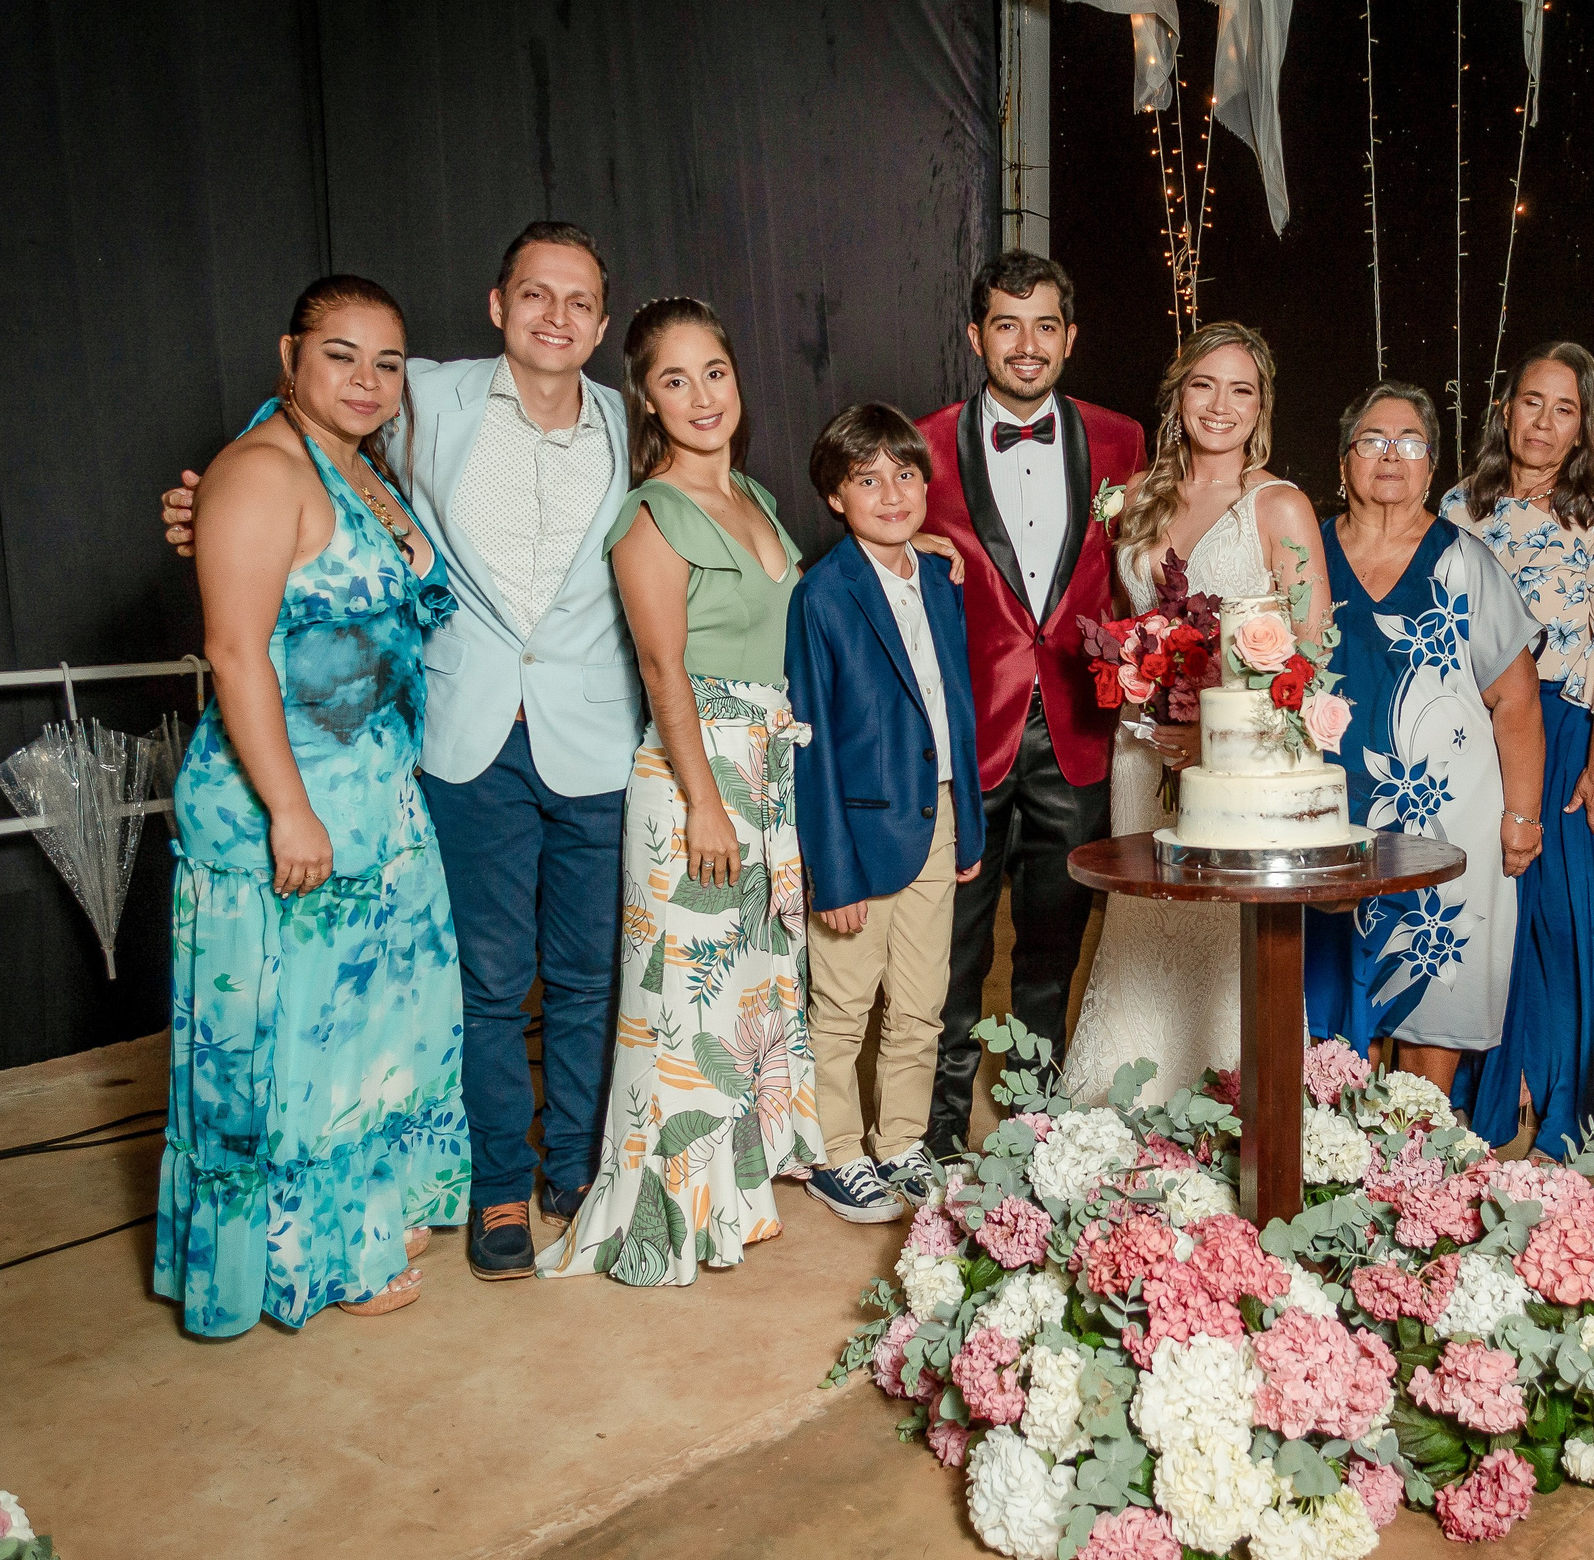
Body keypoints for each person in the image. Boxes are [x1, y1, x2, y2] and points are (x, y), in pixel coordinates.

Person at [167, 223, 640, 1284]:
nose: (556, 317)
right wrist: (211, 504)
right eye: (535, 294)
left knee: (585, 974)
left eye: (578, 302)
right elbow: (290, 443)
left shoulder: (631, 419)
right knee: (485, 980)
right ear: (497, 305)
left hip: (594, 735)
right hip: (464, 737)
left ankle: (575, 1170)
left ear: (603, 325)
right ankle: (497, 1184)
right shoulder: (422, 393)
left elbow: (702, 494)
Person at [156, 275, 466, 1335]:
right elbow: (235, 651)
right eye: (341, 354)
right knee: (301, 1048)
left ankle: (361, 1217)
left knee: (373, 1037)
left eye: (387, 362)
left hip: (377, 802)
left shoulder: (362, 468)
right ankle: (312, 1258)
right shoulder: (258, 471)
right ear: (289, 357)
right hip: (288, 810)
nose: (367, 379)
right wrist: (290, 810)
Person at [537, 298, 821, 1286]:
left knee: (749, 990)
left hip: (765, 771)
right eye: (674, 379)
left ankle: (735, 1192)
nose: (702, 395)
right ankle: (667, 1217)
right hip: (692, 773)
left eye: (714, 372)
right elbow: (663, 671)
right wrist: (704, 800)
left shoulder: (754, 495)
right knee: (682, 1007)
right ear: (646, 399)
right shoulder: (651, 513)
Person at [914, 251, 1147, 1155]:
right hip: (968, 728)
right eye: (1006, 325)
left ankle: (1033, 1125)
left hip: (1079, 726)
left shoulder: (1122, 442)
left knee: (1053, 942)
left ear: (1070, 337)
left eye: (1044, 325)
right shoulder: (923, 444)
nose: (1026, 344)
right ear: (975, 337)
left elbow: (1136, 576)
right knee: (955, 942)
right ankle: (937, 1130)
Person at [1062, 322, 1327, 1104]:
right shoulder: (1139, 497)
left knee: (1227, 934)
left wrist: (1213, 734)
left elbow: (1311, 652)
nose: (1220, 405)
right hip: (1142, 753)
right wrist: (1143, 686)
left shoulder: (1279, 506)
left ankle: (1240, 1106)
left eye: (1241, 389)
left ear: (1261, 407)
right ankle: (1129, 1103)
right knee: (1143, 921)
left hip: (1234, 767)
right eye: (1204, 385)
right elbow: (1120, 619)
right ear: (1178, 397)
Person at [1441, 342, 1594, 1158]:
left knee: (1573, 923)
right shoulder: (1461, 504)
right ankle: (1497, 1097)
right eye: (1532, 402)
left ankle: (1578, 1109)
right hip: (1479, 734)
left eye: (1565, 409)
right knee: (1493, 914)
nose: (1544, 422)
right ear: (1506, 409)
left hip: (1573, 731)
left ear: (1583, 426)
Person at [1306, 381, 1546, 1096]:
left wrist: (1522, 816)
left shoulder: (1465, 563)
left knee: (1430, 995)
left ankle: (1417, 1153)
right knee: (1318, 1006)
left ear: (1432, 467)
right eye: (1373, 441)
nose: (1391, 455)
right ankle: (1326, 1155)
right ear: (1343, 460)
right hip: (1323, 822)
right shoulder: (1304, 555)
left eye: (1410, 443)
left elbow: (1516, 702)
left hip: (1443, 824)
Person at [784, 404, 986, 1221]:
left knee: (921, 1001)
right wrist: (831, 874)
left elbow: (956, 708)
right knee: (842, 1006)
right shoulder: (822, 595)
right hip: (859, 836)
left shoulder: (938, 579)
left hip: (938, 817)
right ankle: (836, 1151)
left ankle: (900, 1139)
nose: (892, 494)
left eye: (905, 475)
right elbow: (814, 744)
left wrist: (969, 824)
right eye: (867, 481)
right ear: (836, 497)